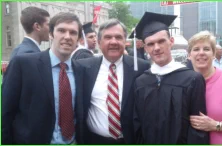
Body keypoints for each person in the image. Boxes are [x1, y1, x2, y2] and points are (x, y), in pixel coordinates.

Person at [2, 12, 85, 144]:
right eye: (61, 30)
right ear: (51, 34)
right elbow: (5, 112)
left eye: (73, 33)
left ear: (79, 39)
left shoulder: (81, 70)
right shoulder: (23, 64)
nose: (67, 37)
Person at [133, 12, 209, 144]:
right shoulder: (141, 82)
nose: (156, 48)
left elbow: (198, 129)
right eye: (150, 44)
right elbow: (137, 123)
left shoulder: (192, 79)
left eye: (161, 41)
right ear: (145, 48)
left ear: (171, 42)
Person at [76, 19, 150, 144]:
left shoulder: (141, 67)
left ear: (125, 41)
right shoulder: (83, 67)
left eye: (118, 37)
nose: (113, 41)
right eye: (108, 37)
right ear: (99, 42)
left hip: (130, 140)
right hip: (95, 140)